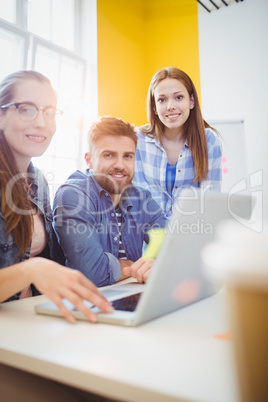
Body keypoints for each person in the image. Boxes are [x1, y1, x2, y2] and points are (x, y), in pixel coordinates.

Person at [0, 70, 113, 323]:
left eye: (49, 112)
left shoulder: (37, 181)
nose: (41, 123)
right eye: (26, 109)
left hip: (29, 321)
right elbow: (35, 267)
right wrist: (31, 270)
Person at [53, 116, 167, 287]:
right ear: (89, 160)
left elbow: (174, 251)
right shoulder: (73, 196)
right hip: (81, 303)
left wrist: (157, 264)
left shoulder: (142, 198)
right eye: (109, 155)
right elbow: (91, 274)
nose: (120, 165)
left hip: (127, 294)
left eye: (127, 156)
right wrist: (135, 266)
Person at [133, 66, 222, 218]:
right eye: (162, 100)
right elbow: (138, 198)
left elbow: (210, 200)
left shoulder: (209, 141)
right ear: (154, 107)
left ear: (191, 101)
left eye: (179, 97)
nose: (170, 106)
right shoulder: (138, 139)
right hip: (148, 235)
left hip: (192, 234)